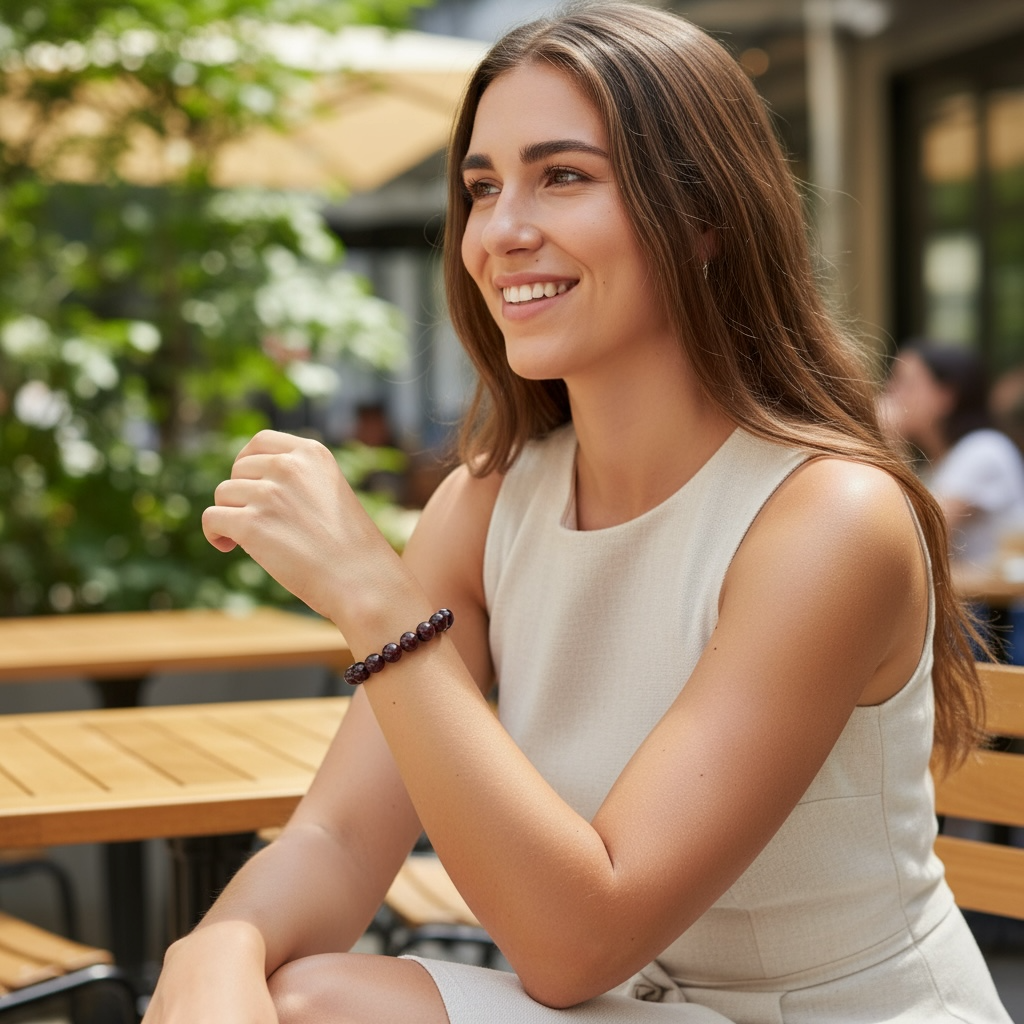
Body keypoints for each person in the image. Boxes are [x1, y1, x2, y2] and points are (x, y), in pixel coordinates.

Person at [141, 4, 1011, 1022]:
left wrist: (371, 593)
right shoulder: (491, 501)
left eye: (562, 176)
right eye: (480, 188)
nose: (501, 232)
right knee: (287, 993)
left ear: (701, 217)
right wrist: (213, 949)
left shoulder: (828, 518)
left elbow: (575, 946)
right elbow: (337, 839)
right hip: (641, 1005)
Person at [879, 339, 1024, 575]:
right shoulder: (934, 464)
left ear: (945, 396)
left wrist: (885, 444)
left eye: (905, 383)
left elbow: (919, 540)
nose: (890, 392)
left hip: (1001, 606)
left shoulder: (983, 450)